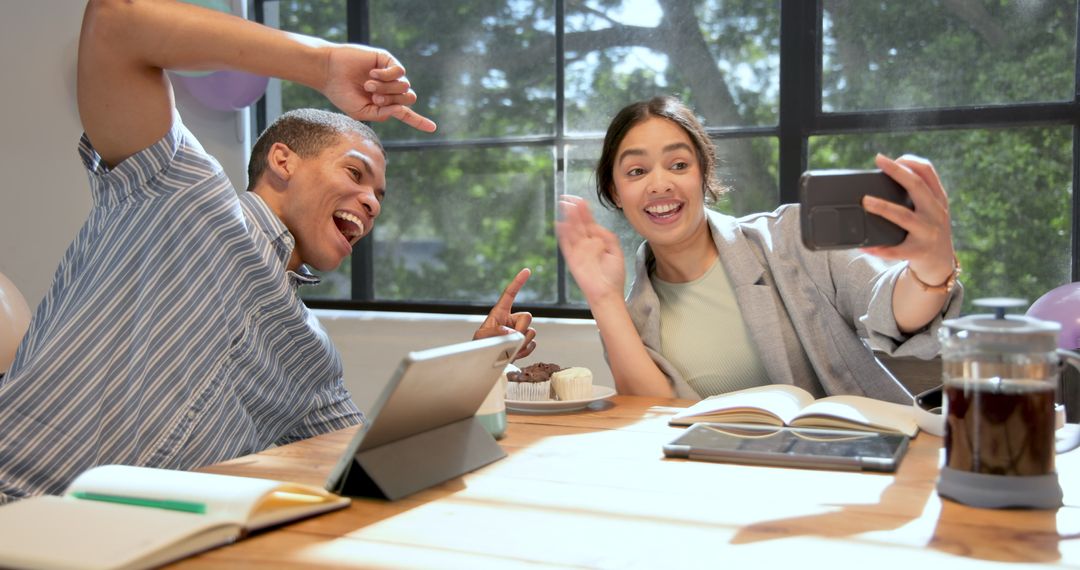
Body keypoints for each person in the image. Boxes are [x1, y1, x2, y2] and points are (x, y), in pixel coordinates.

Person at [0, 0, 535, 504]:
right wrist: (322, 64)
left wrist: (476, 367)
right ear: (283, 160)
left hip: (147, 549)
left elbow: (371, 467)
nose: (371, 203)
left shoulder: (311, 356)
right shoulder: (182, 193)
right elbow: (116, 20)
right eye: (355, 173)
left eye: (379, 198)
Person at [557, 96, 962, 403]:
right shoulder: (634, 315)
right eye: (637, 171)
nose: (660, 184)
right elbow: (652, 414)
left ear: (704, 173)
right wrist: (603, 298)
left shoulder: (792, 238)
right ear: (615, 191)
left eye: (679, 165)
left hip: (845, 477)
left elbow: (891, 307)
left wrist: (931, 267)